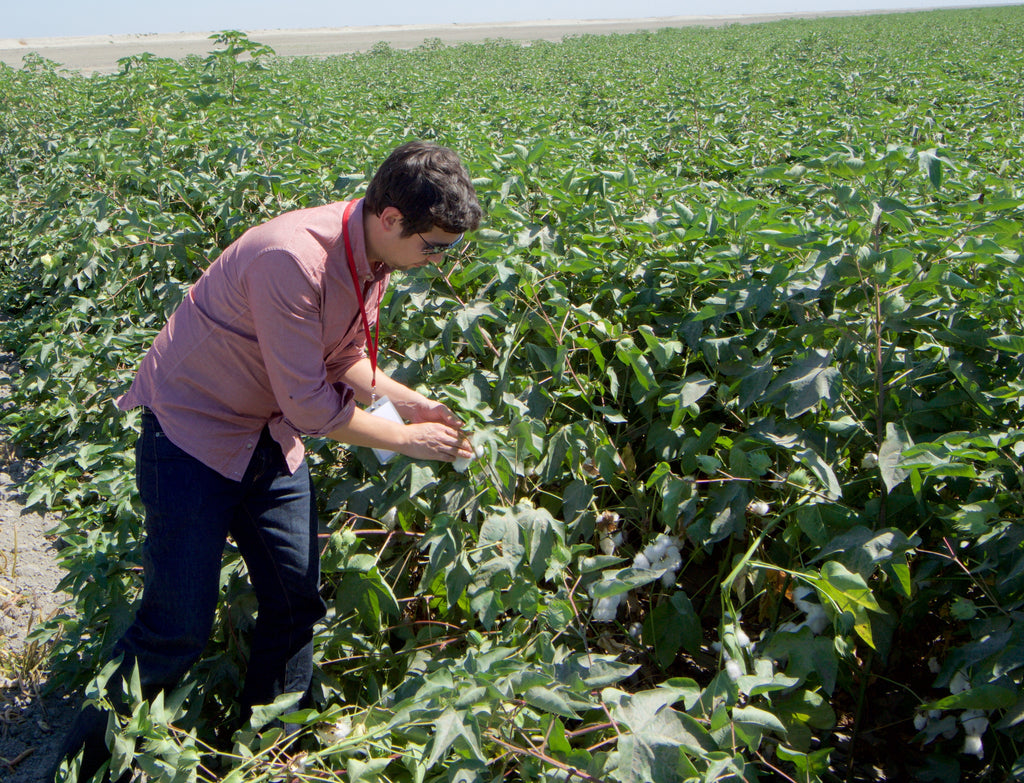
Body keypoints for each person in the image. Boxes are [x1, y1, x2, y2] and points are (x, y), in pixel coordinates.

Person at [51, 140, 483, 782]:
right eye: (435, 246)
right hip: (191, 436)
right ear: (391, 218)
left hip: (267, 433)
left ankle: (267, 752)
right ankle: (77, 768)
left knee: (294, 601)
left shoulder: (372, 256)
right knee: (176, 627)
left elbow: (339, 360)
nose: (437, 260)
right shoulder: (294, 258)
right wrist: (407, 442)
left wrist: (413, 403)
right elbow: (313, 407)